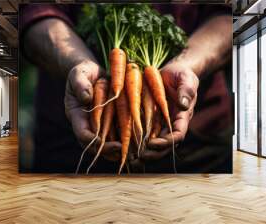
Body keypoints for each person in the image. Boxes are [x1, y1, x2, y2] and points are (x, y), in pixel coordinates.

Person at [20, 4, 233, 173]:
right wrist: (78, 63)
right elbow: (33, 10)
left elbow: (228, 15)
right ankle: (133, 131)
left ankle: (148, 126)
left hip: (199, 143)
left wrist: (187, 66)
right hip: (68, 143)